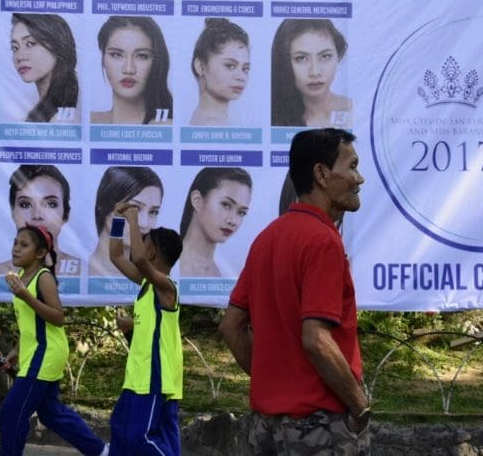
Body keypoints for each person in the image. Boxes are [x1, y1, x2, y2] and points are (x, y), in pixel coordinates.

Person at [219, 128, 370, 454]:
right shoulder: (323, 241)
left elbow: (231, 325)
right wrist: (360, 406)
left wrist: (273, 384)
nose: (359, 179)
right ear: (322, 174)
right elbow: (316, 339)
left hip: (265, 427)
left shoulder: (267, 238)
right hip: (319, 427)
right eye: (352, 166)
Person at [0, 225, 107, 456]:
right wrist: (16, 350)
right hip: (36, 353)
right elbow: (30, 323)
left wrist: (26, 296)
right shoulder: (21, 278)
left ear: (40, 253)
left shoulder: (44, 278)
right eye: (15, 243)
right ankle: (102, 451)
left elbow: (58, 318)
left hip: (46, 353)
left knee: (11, 412)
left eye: (24, 245)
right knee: (50, 413)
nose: (16, 249)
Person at [108, 201, 183, 455]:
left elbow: (138, 259)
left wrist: (133, 219)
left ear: (151, 252)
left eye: (144, 241)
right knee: (120, 430)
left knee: (140, 437)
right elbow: (116, 256)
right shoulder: (147, 285)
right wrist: (118, 220)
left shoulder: (167, 288)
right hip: (137, 376)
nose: (138, 245)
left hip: (154, 377)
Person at [0, 165, 83, 278]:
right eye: (25, 204)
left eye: (51, 204)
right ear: (12, 212)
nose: (37, 215)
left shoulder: (83, 270)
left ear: (66, 214)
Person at [90, 16, 173, 125]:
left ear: (156, 63)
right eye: (116, 55)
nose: (129, 69)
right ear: (103, 59)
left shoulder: (167, 127)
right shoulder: (87, 121)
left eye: (142, 56)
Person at [271, 19, 352, 127]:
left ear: (338, 56)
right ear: (284, 62)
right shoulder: (273, 117)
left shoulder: (355, 112)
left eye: (325, 56)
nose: (315, 72)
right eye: (301, 58)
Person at [88, 166, 164, 277]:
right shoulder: (77, 272)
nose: (144, 223)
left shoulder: (155, 276)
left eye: (153, 212)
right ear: (103, 206)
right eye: (134, 208)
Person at [178, 167, 252, 278]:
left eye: (241, 212)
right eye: (226, 205)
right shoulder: (163, 266)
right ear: (197, 200)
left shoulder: (229, 275)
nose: (233, 221)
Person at [10, 13, 79, 123]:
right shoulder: (42, 110)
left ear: (58, 46)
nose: (20, 57)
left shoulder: (64, 118)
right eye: (15, 48)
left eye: (30, 44)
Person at [189, 18, 251, 126]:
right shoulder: (211, 124)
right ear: (200, 67)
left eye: (245, 69)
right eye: (230, 66)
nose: (241, 77)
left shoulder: (215, 121)